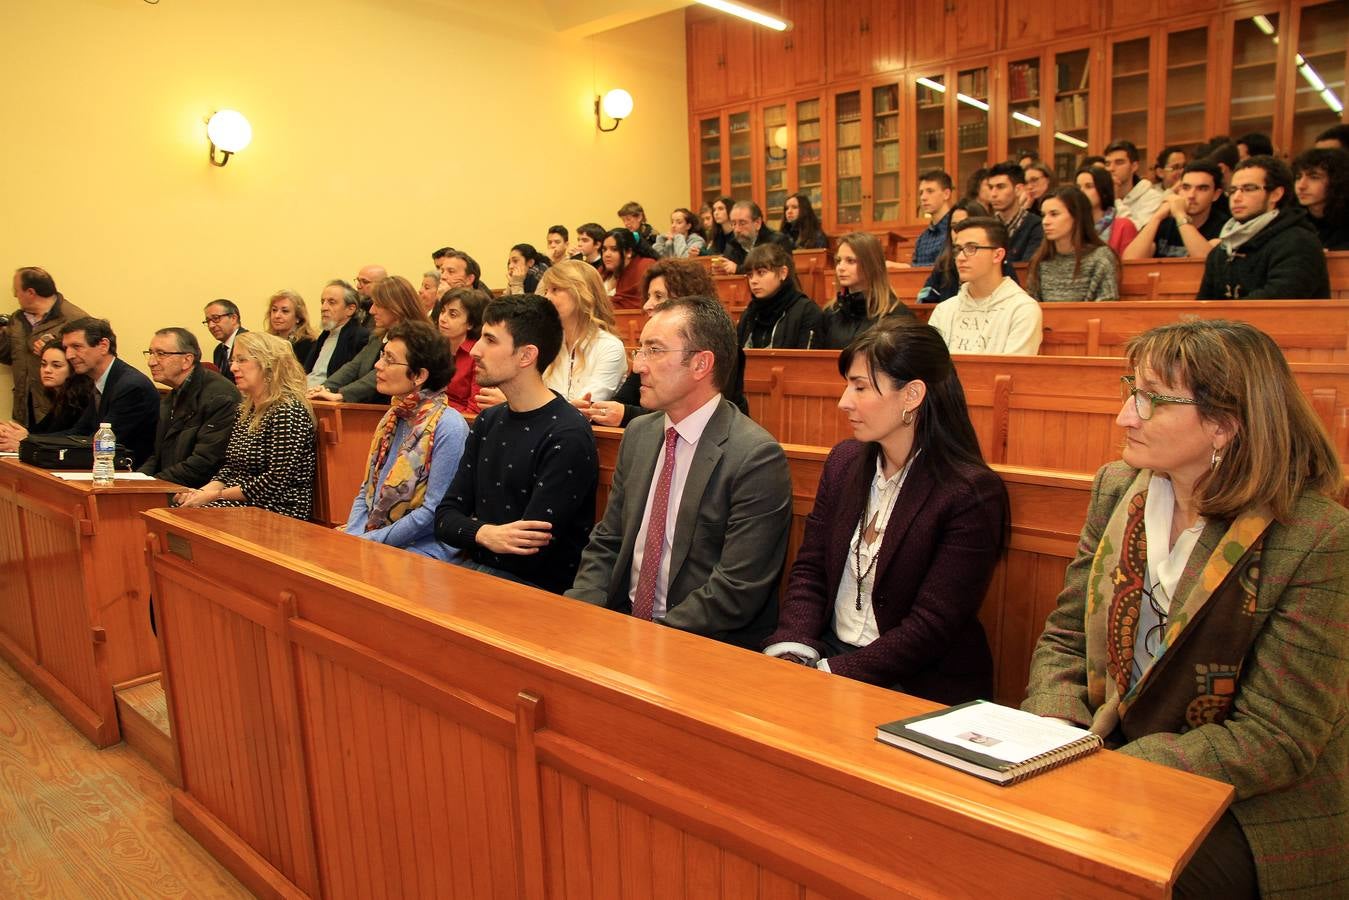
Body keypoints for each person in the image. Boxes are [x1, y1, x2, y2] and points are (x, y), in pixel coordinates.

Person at [1021, 319, 1348, 898]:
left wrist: (1110, 772)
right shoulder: (1119, 487)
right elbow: (1066, 637)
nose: (1125, 415)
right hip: (1107, 758)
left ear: (1224, 424)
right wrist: (1054, 727)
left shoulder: (1317, 536)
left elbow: (1276, 738)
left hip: (1253, 807)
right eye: (1130, 391)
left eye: (1151, 400)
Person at [762, 321, 1007, 699]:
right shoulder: (844, 462)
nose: (844, 401)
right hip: (829, 656)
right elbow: (811, 570)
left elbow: (932, 625)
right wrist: (794, 649)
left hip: (917, 682)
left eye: (860, 387)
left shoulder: (970, 493)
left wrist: (829, 674)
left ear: (911, 395)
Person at [566, 296, 792, 649]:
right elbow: (608, 541)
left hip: (703, 644)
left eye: (654, 350)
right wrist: (581, 613)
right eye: (639, 350)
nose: (637, 365)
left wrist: (646, 640)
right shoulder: (639, 435)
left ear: (701, 364)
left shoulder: (754, 456)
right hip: (624, 627)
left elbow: (736, 589)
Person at [433, 295, 597, 594]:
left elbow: (529, 550)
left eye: (490, 340)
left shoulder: (567, 434)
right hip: (483, 575)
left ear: (526, 356)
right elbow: (444, 517)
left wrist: (472, 532)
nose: (476, 351)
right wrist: (486, 534)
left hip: (535, 592)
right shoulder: (488, 421)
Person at [343, 321, 468, 561]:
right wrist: (353, 534)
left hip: (423, 548)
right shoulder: (392, 416)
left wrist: (368, 542)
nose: (378, 365)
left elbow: (433, 512)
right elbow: (366, 489)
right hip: (376, 536)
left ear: (420, 375)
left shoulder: (449, 426)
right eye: (382, 355)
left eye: (390, 359)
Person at [583, 260, 748, 428]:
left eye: (658, 296)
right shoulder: (647, 353)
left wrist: (627, 414)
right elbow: (623, 400)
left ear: (686, 298)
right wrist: (594, 410)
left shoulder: (721, 348)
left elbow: (701, 414)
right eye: (648, 296)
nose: (647, 305)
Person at [174, 331, 316, 520]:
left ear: (268, 366)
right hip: (241, 501)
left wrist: (216, 495)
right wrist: (200, 493)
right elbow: (231, 467)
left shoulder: (288, 411)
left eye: (242, 360)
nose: (233, 367)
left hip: (276, 507)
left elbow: (275, 480)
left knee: (194, 517)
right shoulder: (246, 410)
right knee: (179, 506)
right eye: (233, 360)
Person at [1197, 155, 1331, 300]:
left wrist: (1219, 319)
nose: (1236, 197)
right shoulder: (1221, 250)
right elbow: (1203, 306)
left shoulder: (1299, 242)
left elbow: (1274, 303)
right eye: (1233, 190)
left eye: (1248, 189)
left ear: (1275, 194)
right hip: (1228, 322)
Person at [36, 318, 160, 467]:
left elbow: (102, 443)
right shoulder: (100, 381)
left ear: (103, 346)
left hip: (130, 473)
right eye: (66, 348)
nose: (69, 355)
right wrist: (30, 440)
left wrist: (31, 441)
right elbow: (79, 432)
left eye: (76, 346)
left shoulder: (131, 386)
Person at [138, 327, 240, 487]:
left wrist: (153, 485)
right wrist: (134, 482)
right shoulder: (171, 397)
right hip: (171, 484)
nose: (151, 362)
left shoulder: (219, 397)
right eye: (150, 353)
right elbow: (157, 457)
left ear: (187, 360)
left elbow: (205, 463)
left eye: (161, 354)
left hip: (199, 492)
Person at [928, 217, 1042, 355]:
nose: (960, 257)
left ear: (997, 255)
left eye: (971, 248)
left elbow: (1013, 372)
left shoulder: (1022, 309)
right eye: (958, 249)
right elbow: (930, 367)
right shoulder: (944, 310)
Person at [310, 275, 425, 403]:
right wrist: (324, 388)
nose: (371, 310)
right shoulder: (377, 336)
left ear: (395, 307)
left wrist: (342, 395)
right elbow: (353, 367)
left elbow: (380, 374)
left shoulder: (414, 339)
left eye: (377, 305)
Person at [1, 266, 89, 428]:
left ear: (31, 293)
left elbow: (90, 363)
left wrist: (53, 350)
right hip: (24, 410)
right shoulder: (18, 319)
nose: (14, 295)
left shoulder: (75, 319)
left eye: (17, 290)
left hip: (60, 410)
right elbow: (10, 356)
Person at [538, 260, 627, 402]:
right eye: (546, 291)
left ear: (582, 293)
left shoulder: (609, 346)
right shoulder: (545, 343)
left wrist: (526, 401)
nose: (546, 297)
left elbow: (584, 406)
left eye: (555, 289)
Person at [816, 232, 913, 350]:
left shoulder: (897, 315)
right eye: (838, 260)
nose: (840, 267)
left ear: (871, 265)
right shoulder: (831, 313)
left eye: (850, 261)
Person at [1027, 186, 1120, 302]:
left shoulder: (1100, 257)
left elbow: (1106, 308)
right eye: (1043, 215)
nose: (1045, 222)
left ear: (1076, 217)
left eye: (1054, 214)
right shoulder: (1040, 259)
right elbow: (1032, 307)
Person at [917, 199, 1018, 304]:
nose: (958, 232)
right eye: (954, 226)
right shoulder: (945, 261)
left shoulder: (997, 263)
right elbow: (926, 297)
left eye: (965, 225)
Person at [1124, 160, 1228, 260]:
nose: (1191, 195)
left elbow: (1204, 262)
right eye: (1186, 187)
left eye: (1202, 189)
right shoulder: (1164, 223)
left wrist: (1180, 215)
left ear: (1216, 194)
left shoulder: (1225, 227)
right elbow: (1130, 260)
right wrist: (1156, 217)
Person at [0, 344, 93, 450]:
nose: (47, 370)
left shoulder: (81, 399)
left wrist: (27, 439)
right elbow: (40, 430)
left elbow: (71, 436)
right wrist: (7, 431)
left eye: (56, 366)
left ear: (73, 369)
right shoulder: (60, 397)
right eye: (43, 364)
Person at [737, 242, 822, 349]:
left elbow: (806, 363)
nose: (753, 281)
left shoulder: (807, 312)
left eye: (761, 273)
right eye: (750, 275)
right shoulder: (749, 314)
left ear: (783, 273)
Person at [304, 280, 370, 389]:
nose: (323, 308)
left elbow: (352, 379)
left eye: (332, 302)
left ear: (350, 309)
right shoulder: (324, 336)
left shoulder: (360, 337)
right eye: (322, 302)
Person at [432, 286, 487, 414]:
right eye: (443, 311)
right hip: (430, 416)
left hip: (460, 423)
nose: (443, 319)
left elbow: (475, 410)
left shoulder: (478, 355)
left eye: (452, 314)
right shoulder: (435, 346)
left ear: (470, 324)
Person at [984, 161, 1044, 262]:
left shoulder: (1036, 226)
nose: (993, 194)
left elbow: (1026, 269)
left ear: (1018, 190)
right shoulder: (986, 226)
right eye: (991, 187)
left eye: (1000, 187)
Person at [715, 200, 796, 275]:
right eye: (733, 224)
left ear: (757, 223)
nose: (737, 230)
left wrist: (738, 270)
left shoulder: (777, 242)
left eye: (742, 223)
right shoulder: (731, 246)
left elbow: (776, 274)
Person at [1292, 146, 1349, 250]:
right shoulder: (1291, 219)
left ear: (1337, 181)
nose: (1301, 186)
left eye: (1314, 177)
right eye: (1298, 177)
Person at [1075, 165, 1139, 257]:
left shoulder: (1123, 226)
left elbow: (1129, 267)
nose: (1081, 192)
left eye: (1089, 186)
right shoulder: (1071, 226)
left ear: (1103, 191)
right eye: (1078, 188)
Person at [1105, 140, 1164, 228]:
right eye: (1108, 164)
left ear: (1134, 167)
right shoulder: (1102, 196)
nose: (1111, 168)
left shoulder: (1153, 197)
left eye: (1119, 162)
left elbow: (1135, 232)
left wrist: (1116, 200)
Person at [599, 227, 656, 310]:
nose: (606, 254)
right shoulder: (602, 271)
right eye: (604, 249)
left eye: (614, 249)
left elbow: (639, 303)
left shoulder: (645, 266)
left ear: (629, 252)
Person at [911, 171, 954, 266]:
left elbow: (950, 268)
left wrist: (906, 267)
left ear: (946, 194)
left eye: (930, 191)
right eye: (921, 193)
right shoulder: (922, 238)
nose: (923, 197)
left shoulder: (956, 229)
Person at [263, 289, 317, 364]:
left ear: (298, 317)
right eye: (274, 310)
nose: (277, 316)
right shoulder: (265, 342)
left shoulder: (308, 345)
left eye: (285, 311)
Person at [203, 299, 246, 383]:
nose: (211, 325)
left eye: (216, 318)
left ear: (233, 318)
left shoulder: (248, 343)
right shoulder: (218, 350)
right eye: (208, 321)